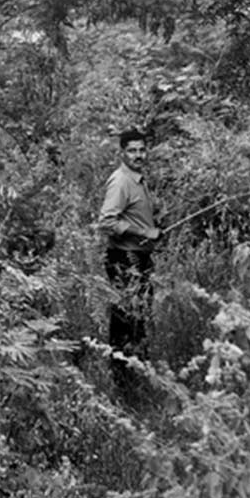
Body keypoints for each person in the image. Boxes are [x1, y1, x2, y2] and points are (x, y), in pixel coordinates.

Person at [98, 128, 160, 393]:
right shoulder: (121, 181)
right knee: (125, 320)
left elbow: (132, 216)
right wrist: (144, 232)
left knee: (139, 318)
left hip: (140, 257)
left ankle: (137, 378)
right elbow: (106, 221)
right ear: (122, 153)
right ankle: (122, 383)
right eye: (132, 150)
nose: (138, 155)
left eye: (142, 150)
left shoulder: (138, 179)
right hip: (124, 259)